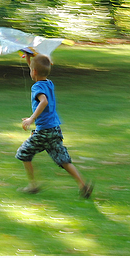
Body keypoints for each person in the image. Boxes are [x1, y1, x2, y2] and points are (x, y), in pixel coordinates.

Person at [15, 52, 93, 198]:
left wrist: (31, 119)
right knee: (63, 160)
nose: (30, 71)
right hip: (55, 129)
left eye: (31, 69)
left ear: (34, 72)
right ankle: (83, 185)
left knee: (23, 153)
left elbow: (44, 101)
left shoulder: (37, 87)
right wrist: (29, 59)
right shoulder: (48, 83)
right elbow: (37, 72)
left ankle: (33, 185)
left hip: (43, 132)